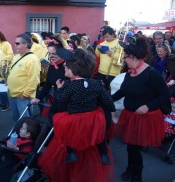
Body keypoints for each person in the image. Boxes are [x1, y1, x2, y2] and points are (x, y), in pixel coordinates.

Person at [38, 48, 115, 182]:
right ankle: (103, 155)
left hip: (73, 123)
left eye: (67, 67)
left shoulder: (68, 86)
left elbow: (60, 104)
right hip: (92, 124)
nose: (64, 68)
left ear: (76, 68)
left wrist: (59, 90)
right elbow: (110, 104)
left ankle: (71, 153)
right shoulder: (96, 84)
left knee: (68, 139)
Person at [113, 37, 170, 182]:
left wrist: (148, 106)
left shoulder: (151, 73)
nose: (124, 59)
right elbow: (123, 91)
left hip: (145, 118)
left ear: (132, 57)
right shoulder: (130, 72)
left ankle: (137, 174)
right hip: (130, 115)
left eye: (125, 57)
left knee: (133, 148)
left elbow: (165, 95)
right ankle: (131, 169)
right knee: (131, 147)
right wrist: (107, 99)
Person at [0, 117, 40, 182]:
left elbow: (25, 153)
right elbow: (7, 141)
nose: (20, 129)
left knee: (4, 169)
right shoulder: (17, 137)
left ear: (28, 134)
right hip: (7, 152)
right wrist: (7, 142)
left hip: (16, 158)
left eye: (23, 129)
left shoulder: (28, 144)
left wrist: (16, 148)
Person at [31, 35, 68, 123]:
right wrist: (38, 98)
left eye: (54, 53)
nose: (51, 56)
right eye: (49, 53)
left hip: (66, 102)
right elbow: (47, 84)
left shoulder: (67, 67)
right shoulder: (52, 65)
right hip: (56, 98)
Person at [7, 33, 41, 122]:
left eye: (17, 43)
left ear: (25, 44)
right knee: (16, 121)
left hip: (23, 98)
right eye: (15, 43)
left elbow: (34, 81)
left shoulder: (33, 59)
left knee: (25, 123)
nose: (15, 45)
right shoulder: (17, 56)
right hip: (13, 95)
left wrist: (25, 95)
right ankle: (18, 135)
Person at [95, 26, 122, 91]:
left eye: (107, 36)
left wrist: (112, 54)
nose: (105, 39)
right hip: (101, 72)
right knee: (100, 92)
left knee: (112, 92)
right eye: (104, 37)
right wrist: (97, 48)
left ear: (112, 34)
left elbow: (122, 57)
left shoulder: (119, 43)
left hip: (113, 73)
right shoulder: (102, 43)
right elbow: (97, 54)